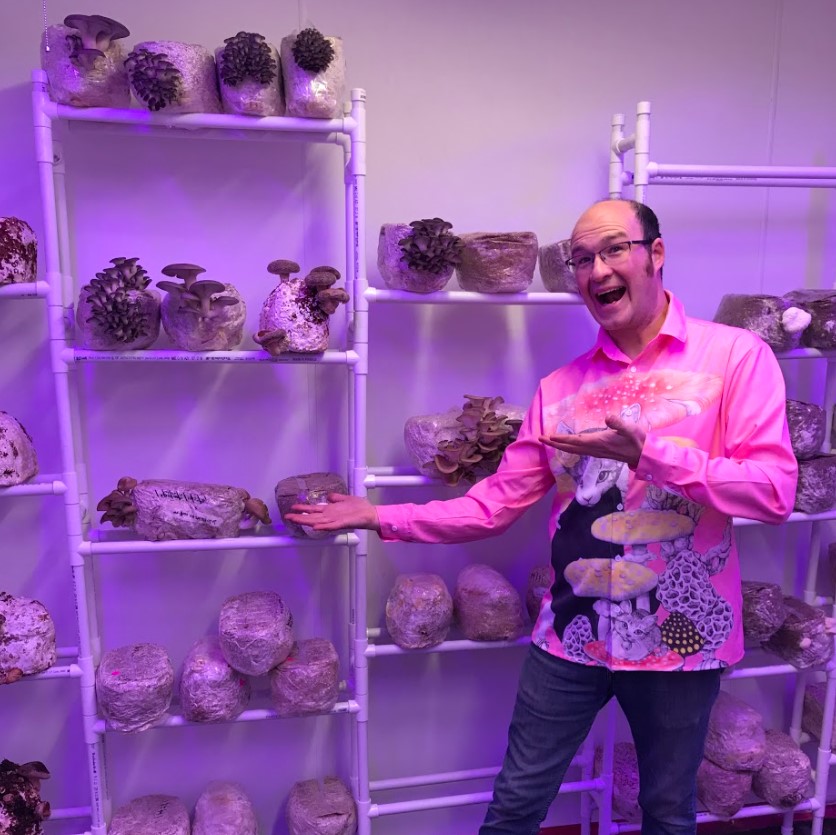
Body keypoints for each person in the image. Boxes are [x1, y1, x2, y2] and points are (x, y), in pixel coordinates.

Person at [285, 198, 798, 835]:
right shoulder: (560, 390)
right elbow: (493, 505)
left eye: (614, 249)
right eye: (581, 259)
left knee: (668, 813)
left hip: (682, 643)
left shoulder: (735, 358)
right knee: (516, 805)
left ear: (654, 255)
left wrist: (653, 456)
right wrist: (378, 515)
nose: (597, 269)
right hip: (571, 636)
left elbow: (774, 492)